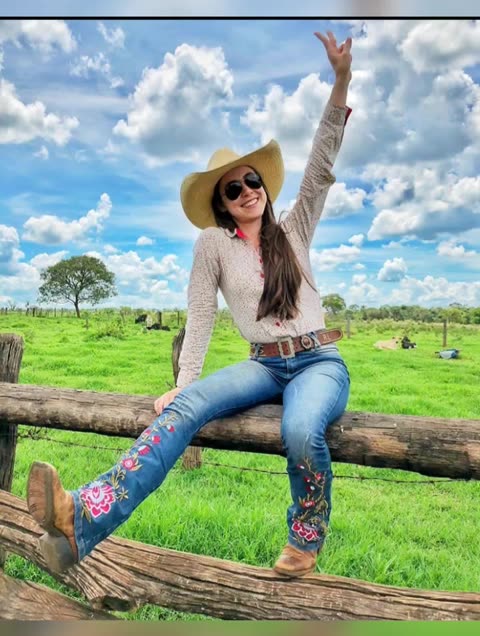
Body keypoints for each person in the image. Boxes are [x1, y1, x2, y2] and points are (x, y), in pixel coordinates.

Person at [27, 31, 353, 579]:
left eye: (252, 180)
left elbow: (321, 162)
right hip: (263, 364)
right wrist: (186, 382)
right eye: (233, 188)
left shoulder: (295, 228)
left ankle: (305, 535)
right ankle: (83, 515)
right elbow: (200, 314)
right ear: (221, 203)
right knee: (181, 409)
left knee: (300, 430)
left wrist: (341, 80)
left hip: (319, 361)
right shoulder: (212, 246)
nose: (248, 190)